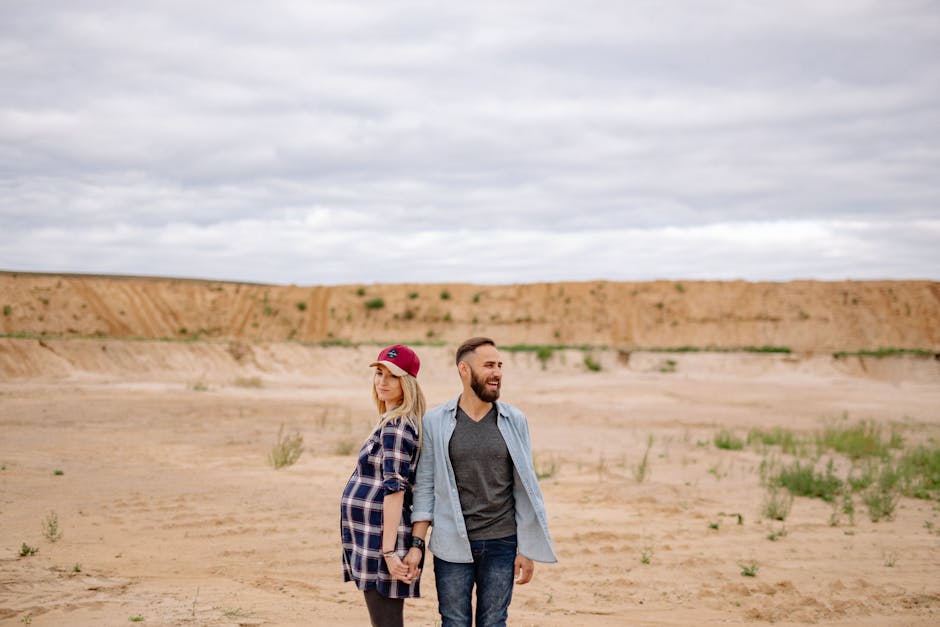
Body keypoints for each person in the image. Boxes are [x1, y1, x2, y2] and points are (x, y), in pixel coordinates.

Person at [407, 337, 556, 627]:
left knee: (494, 622)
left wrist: (526, 548)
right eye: (489, 365)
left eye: (500, 365)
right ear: (464, 369)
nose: (497, 372)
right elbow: (424, 486)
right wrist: (417, 543)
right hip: (451, 543)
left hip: (502, 542)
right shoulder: (435, 421)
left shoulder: (515, 419)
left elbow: (523, 488)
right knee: (453, 622)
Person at [341, 344, 427, 627]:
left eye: (392, 376)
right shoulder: (390, 421)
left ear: (408, 383)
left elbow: (396, 490)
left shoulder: (397, 427)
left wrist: (389, 553)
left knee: (387, 623)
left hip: (381, 540)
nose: (382, 381)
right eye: (379, 373)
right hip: (372, 537)